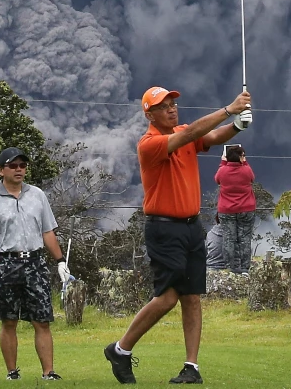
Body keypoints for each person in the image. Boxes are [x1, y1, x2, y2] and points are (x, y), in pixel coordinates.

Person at [105, 86, 252, 385]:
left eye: (173, 104)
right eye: (163, 106)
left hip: (191, 226)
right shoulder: (150, 144)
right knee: (168, 297)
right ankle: (120, 349)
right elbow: (187, 135)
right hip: (164, 228)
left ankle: (191, 367)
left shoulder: (185, 131)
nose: (172, 109)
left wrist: (236, 126)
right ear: (149, 114)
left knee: (192, 297)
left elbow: (210, 137)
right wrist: (229, 109)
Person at [0, 147, 71, 381]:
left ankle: (48, 372)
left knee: (42, 320)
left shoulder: (37, 195)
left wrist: (60, 261)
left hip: (35, 262)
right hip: (7, 262)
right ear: (1, 170)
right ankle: (12, 372)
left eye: (22, 165)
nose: (19, 169)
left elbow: (47, 231)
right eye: (13, 166)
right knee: (9, 320)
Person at [214, 146, 257, 274]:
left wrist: (223, 162)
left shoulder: (222, 171)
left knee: (228, 238)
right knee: (244, 238)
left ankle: (229, 268)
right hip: (246, 209)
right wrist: (244, 161)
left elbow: (217, 180)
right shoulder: (246, 170)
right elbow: (252, 179)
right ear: (241, 157)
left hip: (226, 210)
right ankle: (244, 269)